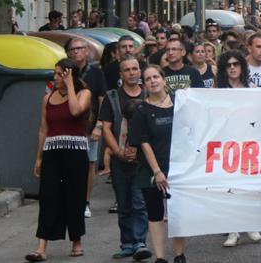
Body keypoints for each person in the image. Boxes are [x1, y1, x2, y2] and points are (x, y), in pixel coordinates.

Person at [26, 59, 92, 262]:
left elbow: (75, 111)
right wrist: (39, 158)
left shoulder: (84, 93)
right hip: (52, 151)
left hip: (75, 151)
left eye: (58, 74)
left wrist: (71, 84)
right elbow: (43, 129)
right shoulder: (47, 98)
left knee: (75, 197)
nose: (54, 78)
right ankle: (41, 246)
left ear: (68, 75)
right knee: (48, 197)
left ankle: (76, 241)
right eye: (54, 74)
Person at [129, 66, 187, 263]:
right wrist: (157, 171)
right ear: (144, 84)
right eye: (148, 79)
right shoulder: (141, 110)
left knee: (178, 213)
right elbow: (143, 143)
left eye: (156, 77)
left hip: (179, 168)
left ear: (164, 80)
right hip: (151, 170)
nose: (153, 81)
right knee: (155, 214)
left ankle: (180, 254)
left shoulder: (180, 104)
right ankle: (160, 257)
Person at [99, 55, 152, 260]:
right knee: (124, 203)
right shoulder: (112, 97)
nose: (132, 72)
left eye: (135, 69)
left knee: (140, 203)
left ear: (140, 71)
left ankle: (140, 242)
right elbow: (106, 127)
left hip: (143, 160)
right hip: (119, 160)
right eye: (127, 70)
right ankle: (127, 243)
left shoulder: (150, 94)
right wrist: (119, 152)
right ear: (121, 74)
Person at [213, 51, 261, 247]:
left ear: (242, 67)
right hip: (225, 143)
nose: (232, 68)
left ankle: (250, 224)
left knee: (247, 187)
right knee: (228, 187)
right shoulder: (217, 89)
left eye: (236, 64)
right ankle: (233, 230)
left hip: (249, 143)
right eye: (228, 65)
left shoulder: (253, 88)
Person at [63, 37, 106, 219]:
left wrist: (99, 125)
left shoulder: (96, 73)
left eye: (80, 48)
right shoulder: (65, 71)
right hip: (68, 125)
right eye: (73, 49)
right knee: (68, 164)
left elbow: (103, 101)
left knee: (89, 164)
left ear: (87, 51)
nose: (77, 52)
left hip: (89, 126)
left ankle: (85, 201)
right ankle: (69, 199)